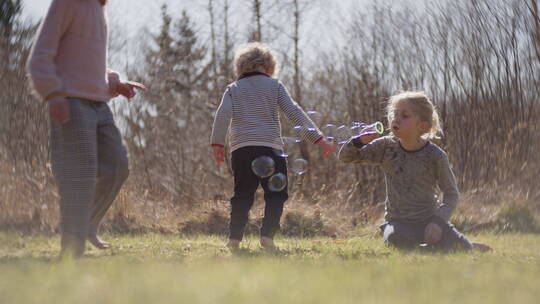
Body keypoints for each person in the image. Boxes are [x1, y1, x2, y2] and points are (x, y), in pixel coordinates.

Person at [27, 0, 146, 258]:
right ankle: (72, 252)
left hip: (99, 104)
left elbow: (85, 64)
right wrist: (53, 93)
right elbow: (40, 57)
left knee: (118, 166)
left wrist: (114, 82)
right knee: (79, 177)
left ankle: (88, 224)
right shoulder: (67, 3)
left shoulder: (98, 8)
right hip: (70, 101)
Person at [211, 42, 335, 249]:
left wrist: (217, 144)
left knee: (242, 194)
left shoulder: (233, 89)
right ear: (270, 67)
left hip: (242, 150)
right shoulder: (274, 85)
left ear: (240, 67)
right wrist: (318, 139)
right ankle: (267, 237)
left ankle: (234, 239)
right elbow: (294, 113)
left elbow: (222, 115)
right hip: (270, 148)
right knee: (276, 194)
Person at [339, 91, 490, 251]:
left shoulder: (435, 156)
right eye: (394, 114)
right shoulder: (385, 147)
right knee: (397, 240)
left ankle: (467, 245)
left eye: (405, 116)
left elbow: (451, 194)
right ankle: (432, 248)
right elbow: (346, 157)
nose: (396, 119)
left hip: (429, 220)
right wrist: (358, 141)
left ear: (422, 126)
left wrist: (437, 223)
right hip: (397, 222)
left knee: (461, 247)